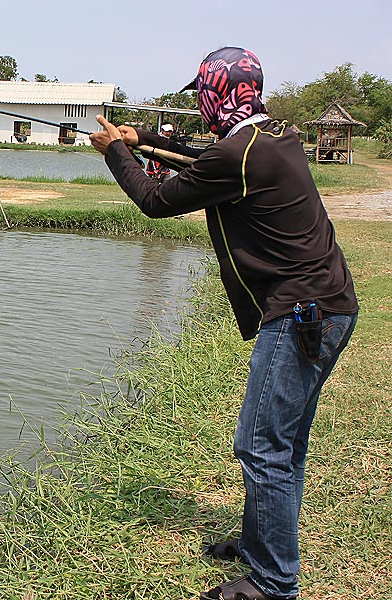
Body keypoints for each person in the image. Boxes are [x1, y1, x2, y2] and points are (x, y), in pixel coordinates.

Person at [90, 46, 358, 600]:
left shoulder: (240, 156)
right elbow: (200, 156)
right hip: (329, 307)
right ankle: (262, 542)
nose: (204, 106)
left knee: (262, 447)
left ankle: (273, 581)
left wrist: (116, 152)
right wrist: (144, 140)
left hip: (302, 315)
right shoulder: (269, 140)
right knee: (284, 444)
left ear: (220, 94)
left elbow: (155, 200)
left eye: (205, 95)